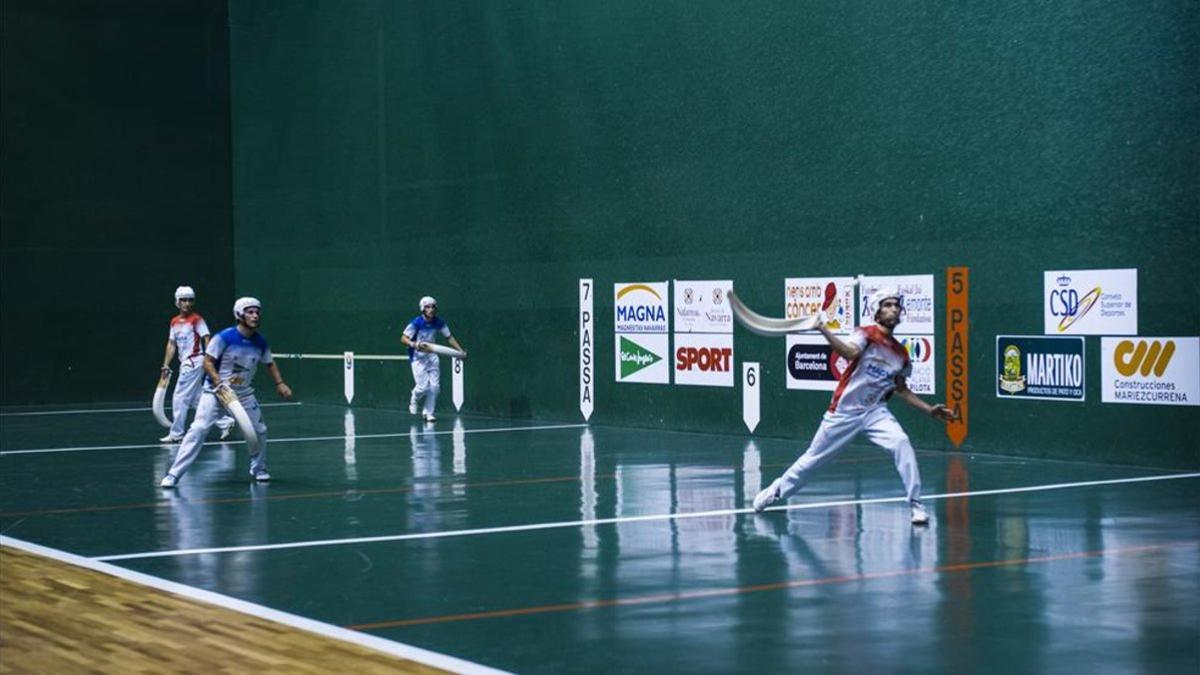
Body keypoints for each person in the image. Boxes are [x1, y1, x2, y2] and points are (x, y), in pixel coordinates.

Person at [753, 287, 958, 525]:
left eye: (896, 305)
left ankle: (916, 505)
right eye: (888, 304)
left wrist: (929, 410)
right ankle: (775, 492)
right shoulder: (866, 335)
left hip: (875, 412)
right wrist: (824, 330)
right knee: (811, 461)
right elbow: (849, 352)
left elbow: (901, 389)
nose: (894, 309)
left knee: (901, 442)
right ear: (877, 310)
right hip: (843, 412)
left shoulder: (901, 354)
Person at [160, 297, 292, 488]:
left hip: (244, 394)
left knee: (260, 430)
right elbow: (207, 362)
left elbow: (270, 363)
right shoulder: (224, 337)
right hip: (214, 392)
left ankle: (259, 468)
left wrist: (280, 383)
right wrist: (218, 382)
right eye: (250, 312)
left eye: (257, 312)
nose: (255, 316)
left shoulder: (260, 342)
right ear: (239, 314)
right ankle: (174, 474)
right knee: (198, 429)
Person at [159, 286, 234, 442]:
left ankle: (176, 433)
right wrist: (166, 364)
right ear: (177, 302)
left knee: (179, 397)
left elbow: (207, 338)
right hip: (185, 363)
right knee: (196, 399)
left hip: (195, 361)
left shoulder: (197, 320)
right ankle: (225, 422)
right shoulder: (174, 322)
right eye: (184, 300)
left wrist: (210, 359)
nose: (187, 303)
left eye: (190, 300)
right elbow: (172, 344)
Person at [400, 296, 467, 423]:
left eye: (433, 307)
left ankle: (428, 413)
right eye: (428, 307)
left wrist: (460, 351)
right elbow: (403, 338)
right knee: (423, 387)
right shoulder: (416, 323)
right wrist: (414, 344)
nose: (431, 309)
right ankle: (414, 398)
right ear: (422, 309)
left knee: (435, 387)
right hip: (417, 358)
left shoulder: (439, 322)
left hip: (432, 356)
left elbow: (449, 337)